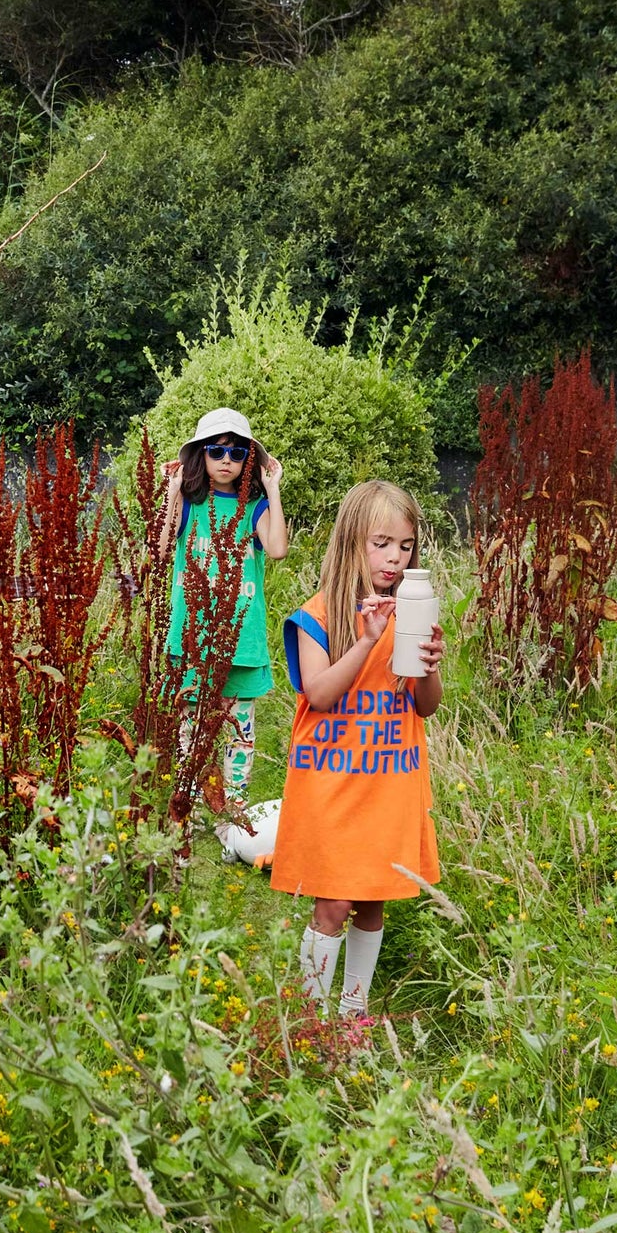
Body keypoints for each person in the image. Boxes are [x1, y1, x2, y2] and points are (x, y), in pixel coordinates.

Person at [270, 480, 444, 1019]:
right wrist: (368, 638)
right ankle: (308, 1015)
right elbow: (318, 694)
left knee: (372, 899)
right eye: (382, 542)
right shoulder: (318, 614)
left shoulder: (410, 615)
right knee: (334, 901)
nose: (395, 557)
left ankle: (351, 1013)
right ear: (351, 542)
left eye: (406, 545)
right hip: (332, 781)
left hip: (388, 780)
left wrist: (432, 666)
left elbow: (426, 705)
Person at [160, 407, 288, 808]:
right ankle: (192, 807)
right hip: (192, 639)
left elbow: (278, 550)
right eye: (216, 451)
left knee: (239, 732)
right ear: (202, 456)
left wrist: (272, 489)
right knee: (191, 730)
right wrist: (173, 492)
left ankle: (232, 812)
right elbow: (162, 550)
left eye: (236, 454)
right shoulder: (190, 506)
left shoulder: (254, 510)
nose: (226, 461)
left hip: (241, 642)